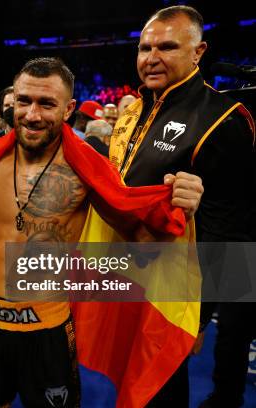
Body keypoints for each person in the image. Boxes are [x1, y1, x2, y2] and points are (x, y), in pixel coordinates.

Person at [0, 57, 203, 407]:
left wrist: (179, 208)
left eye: (46, 104)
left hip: (48, 327)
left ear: (69, 108)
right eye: (24, 101)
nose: (32, 114)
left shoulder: (88, 170)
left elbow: (142, 244)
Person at [108, 6, 255, 407]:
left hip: (177, 291)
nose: (151, 57)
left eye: (167, 47)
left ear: (198, 52)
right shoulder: (134, 111)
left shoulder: (222, 119)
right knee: (131, 379)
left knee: (163, 387)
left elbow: (230, 226)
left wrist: (200, 315)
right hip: (130, 275)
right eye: (144, 48)